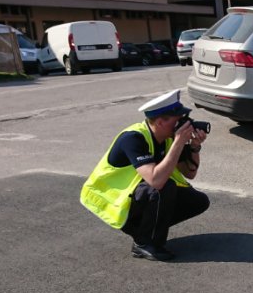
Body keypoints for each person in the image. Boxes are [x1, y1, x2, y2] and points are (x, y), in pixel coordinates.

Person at [80, 89, 210, 261]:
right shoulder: (133, 138)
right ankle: (144, 243)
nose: (184, 123)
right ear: (161, 122)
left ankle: (147, 231)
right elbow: (156, 181)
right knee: (163, 187)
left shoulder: (169, 137)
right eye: (179, 119)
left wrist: (194, 147)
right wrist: (179, 142)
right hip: (112, 202)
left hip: (138, 196)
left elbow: (189, 173)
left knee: (198, 201)